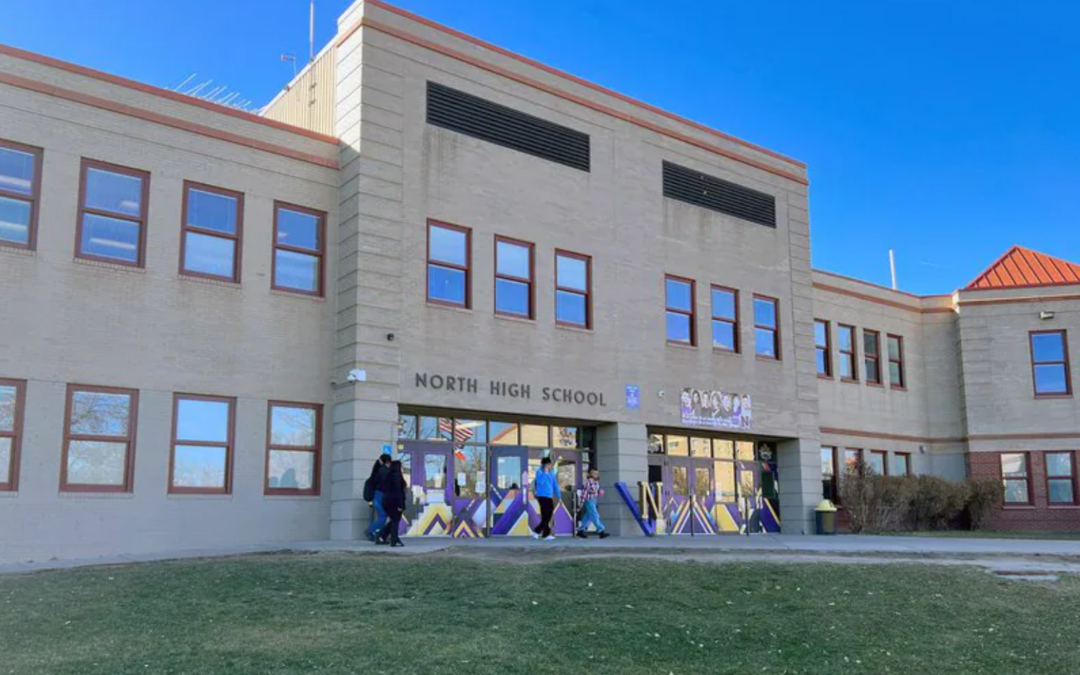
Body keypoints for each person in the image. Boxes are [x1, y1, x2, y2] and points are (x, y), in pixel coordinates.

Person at [377, 460, 408, 547]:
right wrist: (400, 505)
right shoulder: (396, 476)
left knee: (394, 520)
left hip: (386, 502)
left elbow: (383, 488)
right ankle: (394, 540)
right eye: (401, 466)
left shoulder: (389, 475)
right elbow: (398, 493)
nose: (402, 468)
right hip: (394, 502)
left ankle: (381, 536)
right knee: (395, 521)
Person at [531, 457, 561, 540]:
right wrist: (545, 473)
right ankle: (538, 531)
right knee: (546, 516)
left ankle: (544, 534)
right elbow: (540, 483)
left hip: (549, 496)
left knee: (547, 516)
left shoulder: (551, 473)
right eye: (550, 464)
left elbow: (555, 484)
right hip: (542, 496)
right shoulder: (539, 472)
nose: (551, 465)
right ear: (545, 464)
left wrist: (559, 496)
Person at [364, 453, 392, 542]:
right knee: (383, 516)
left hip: (377, 497)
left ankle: (378, 533)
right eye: (389, 462)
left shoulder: (377, 470)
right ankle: (371, 531)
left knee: (384, 516)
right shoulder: (384, 471)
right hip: (380, 497)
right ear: (387, 462)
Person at [576, 468, 609, 539]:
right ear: (590, 474)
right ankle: (601, 531)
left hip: (594, 500)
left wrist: (599, 492)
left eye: (597, 473)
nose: (596, 475)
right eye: (594, 473)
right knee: (595, 515)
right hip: (589, 500)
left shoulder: (596, 482)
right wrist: (581, 504)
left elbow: (595, 491)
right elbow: (584, 493)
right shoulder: (589, 482)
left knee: (588, 516)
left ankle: (580, 530)